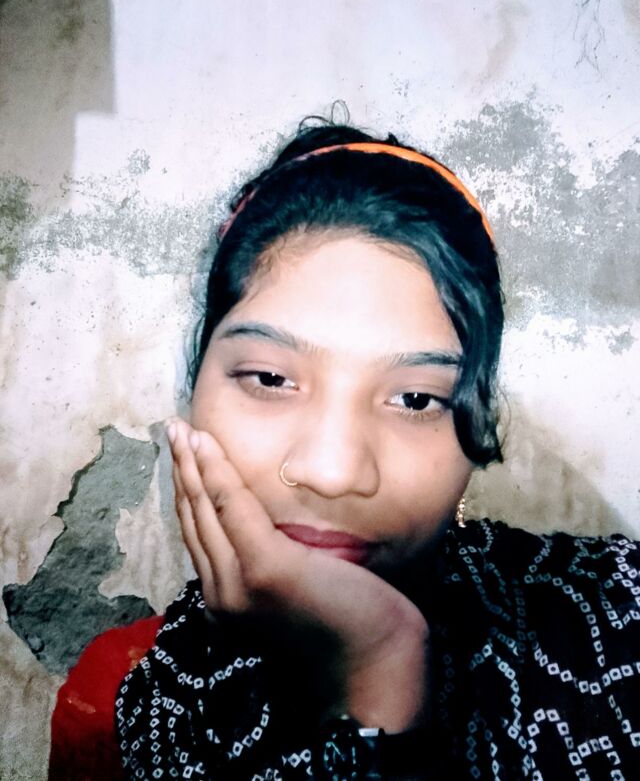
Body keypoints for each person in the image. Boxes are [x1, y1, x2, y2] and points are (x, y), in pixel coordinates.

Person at [50, 119, 640, 780]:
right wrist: (380, 669)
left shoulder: (620, 615)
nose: (333, 473)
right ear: (194, 393)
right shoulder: (119, 703)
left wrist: (381, 655)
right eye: (270, 379)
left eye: (415, 398)